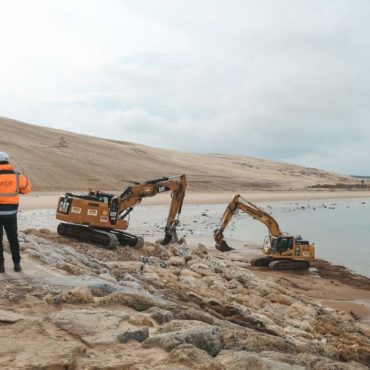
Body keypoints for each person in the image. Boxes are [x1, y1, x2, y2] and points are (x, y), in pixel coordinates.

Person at [0, 152, 32, 273]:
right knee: (13, 238)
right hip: (11, 214)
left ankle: (1, 266)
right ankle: (17, 264)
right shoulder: (17, 176)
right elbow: (28, 188)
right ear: (8, 161)